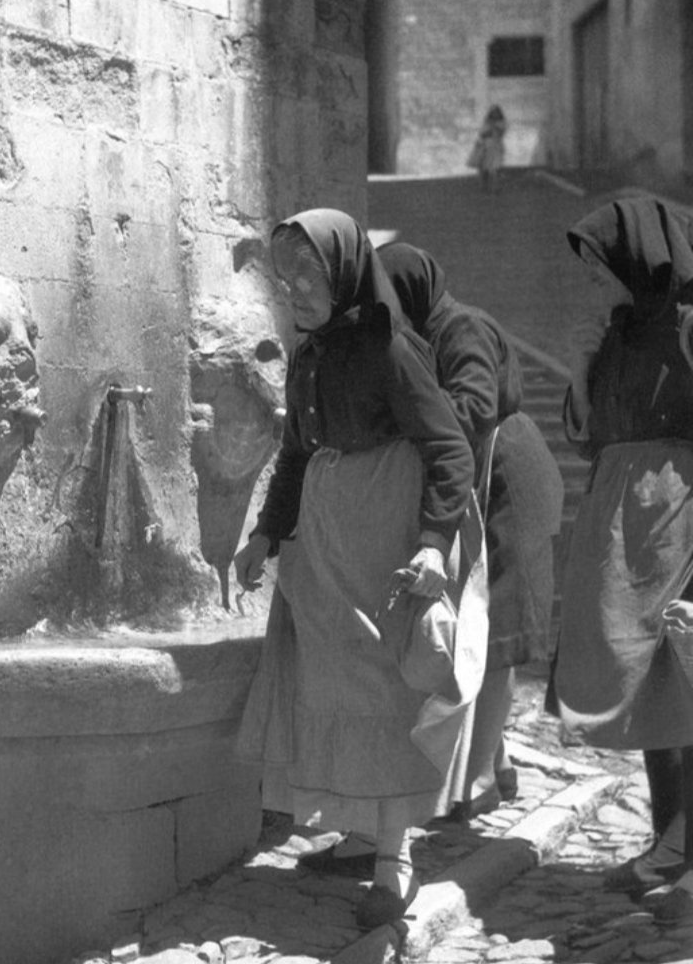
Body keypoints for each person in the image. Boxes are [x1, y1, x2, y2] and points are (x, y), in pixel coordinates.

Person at [234, 209, 482, 929]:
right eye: (285, 278)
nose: (294, 290)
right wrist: (266, 533)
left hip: (385, 538)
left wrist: (433, 543)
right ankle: (362, 834)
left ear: (343, 272)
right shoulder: (308, 354)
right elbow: (296, 451)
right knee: (334, 687)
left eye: (308, 275)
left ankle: (393, 862)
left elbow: (450, 448)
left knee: (383, 690)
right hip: (327, 542)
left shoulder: (390, 349)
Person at [379, 242, 564, 820]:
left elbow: (475, 406)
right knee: (473, 626)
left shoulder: (462, 328)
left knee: (500, 629)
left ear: (410, 290)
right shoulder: (423, 333)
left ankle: (479, 780)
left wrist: (408, 421)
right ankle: (497, 761)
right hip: (479, 476)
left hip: (508, 473)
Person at [548, 197, 693, 923]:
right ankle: (670, 842)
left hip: (675, 514)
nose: (591, 280)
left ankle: (682, 847)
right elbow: (587, 437)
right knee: (647, 687)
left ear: (636, 258)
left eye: (598, 266)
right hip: (619, 517)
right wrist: (580, 367)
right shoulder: (616, 333)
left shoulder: (689, 327)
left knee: (685, 680)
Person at [469, 105, 506, 194]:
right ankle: (484, 186)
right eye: (493, 113)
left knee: (495, 168)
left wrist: (493, 127)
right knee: (483, 168)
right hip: (485, 146)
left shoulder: (502, 123)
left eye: (496, 113)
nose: (494, 115)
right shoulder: (486, 122)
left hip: (495, 147)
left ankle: (495, 187)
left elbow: (500, 133)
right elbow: (482, 134)